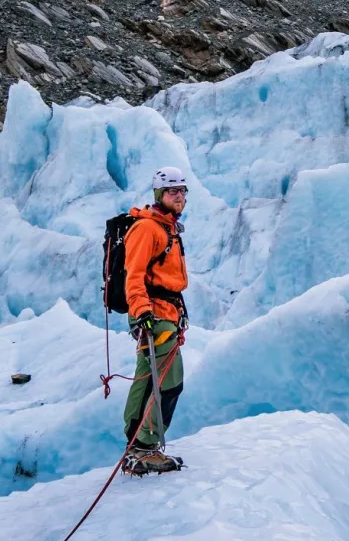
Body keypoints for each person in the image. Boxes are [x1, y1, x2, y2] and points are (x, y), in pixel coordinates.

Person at [121, 166, 190, 475]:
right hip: (155, 315)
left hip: (165, 314)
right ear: (159, 195)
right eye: (172, 192)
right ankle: (145, 447)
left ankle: (136, 447)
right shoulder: (148, 229)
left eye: (182, 191)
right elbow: (133, 275)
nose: (179, 197)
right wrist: (142, 313)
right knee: (168, 382)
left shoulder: (167, 228)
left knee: (148, 379)